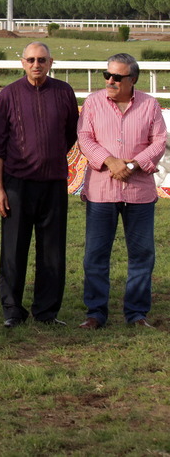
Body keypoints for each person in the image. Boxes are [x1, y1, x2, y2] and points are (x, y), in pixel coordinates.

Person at [0, 41, 78, 327]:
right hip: (17, 183)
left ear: (51, 62)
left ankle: (47, 311)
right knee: (14, 249)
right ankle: (13, 311)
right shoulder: (9, 94)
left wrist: (47, 157)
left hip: (53, 182)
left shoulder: (64, 92)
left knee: (52, 250)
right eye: (31, 60)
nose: (36, 65)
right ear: (22, 62)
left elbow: (69, 135)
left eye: (42, 60)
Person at [76, 53, 166, 329]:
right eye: (107, 75)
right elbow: (84, 137)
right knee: (96, 253)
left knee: (141, 253)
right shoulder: (92, 103)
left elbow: (160, 140)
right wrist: (110, 161)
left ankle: (137, 313)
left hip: (139, 192)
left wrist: (134, 163)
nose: (110, 81)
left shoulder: (150, 105)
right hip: (101, 190)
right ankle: (95, 313)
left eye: (117, 77)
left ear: (133, 79)